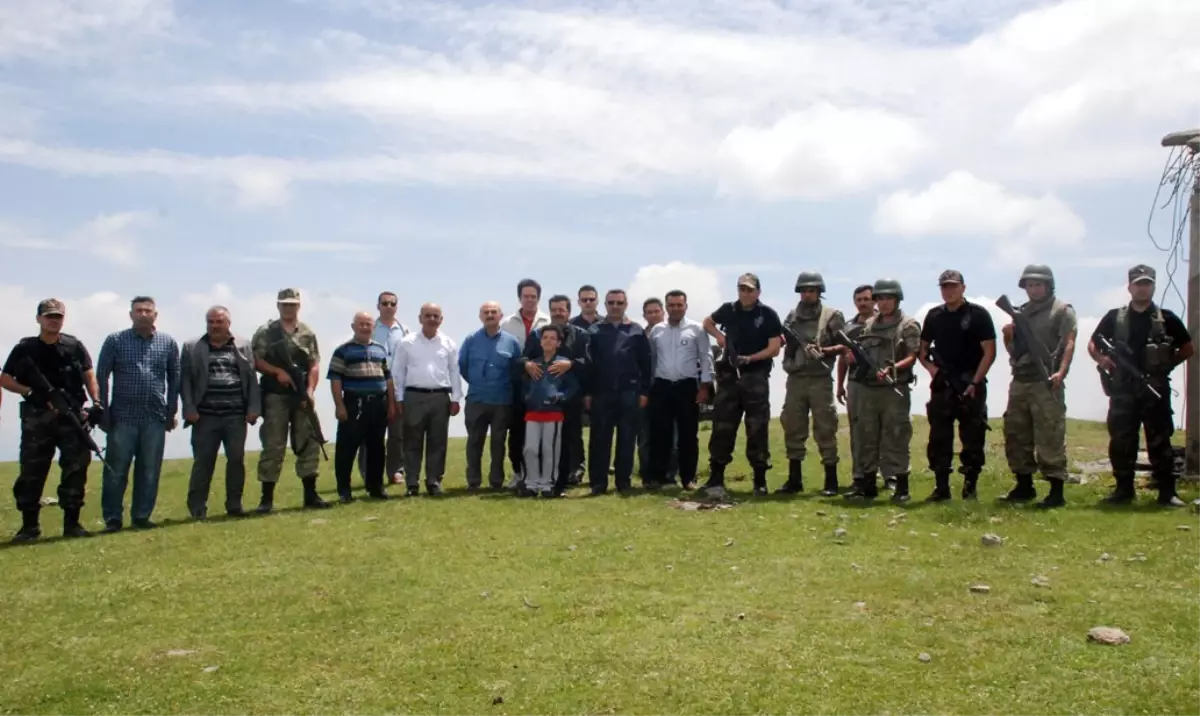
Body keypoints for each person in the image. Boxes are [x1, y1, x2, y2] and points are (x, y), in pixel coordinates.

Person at [1088, 264, 1193, 506]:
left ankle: (1167, 493)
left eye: (1147, 284)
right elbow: (1093, 344)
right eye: (1138, 284)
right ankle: (1123, 490)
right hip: (1123, 389)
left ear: (1153, 286)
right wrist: (1102, 359)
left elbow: (1188, 348)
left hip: (1153, 388)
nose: (1143, 288)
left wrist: (1166, 365)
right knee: (1122, 440)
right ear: (1130, 287)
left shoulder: (1167, 318)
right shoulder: (1115, 317)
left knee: (1159, 439)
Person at [0, 298, 104, 541]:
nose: (54, 321)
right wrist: (30, 392)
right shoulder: (25, 349)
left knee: (76, 469)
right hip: (38, 419)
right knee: (32, 471)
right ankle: (29, 527)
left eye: (58, 317)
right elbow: (5, 379)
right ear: (39, 319)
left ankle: (72, 524)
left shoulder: (74, 345)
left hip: (72, 415)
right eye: (49, 316)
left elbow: (89, 375)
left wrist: (96, 402)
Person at [96, 296, 180, 531]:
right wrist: (102, 410)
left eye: (147, 310)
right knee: (116, 470)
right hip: (122, 416)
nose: (143, 314)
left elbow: (175, 379)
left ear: (156, 315)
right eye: (138, 310)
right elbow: (102, 375)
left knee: (150, 470)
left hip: (154, 417)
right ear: (130, 314)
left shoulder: (168, 342)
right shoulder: (115, 340)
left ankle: (141, 516)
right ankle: (113, 518)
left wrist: (171, 410)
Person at [999, 265, 1078, 508]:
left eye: (1038, 284)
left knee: (1050, 433)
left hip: (1046, 382)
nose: (1034, 289)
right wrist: (1008, 335)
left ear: (1048, 285)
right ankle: (1024, 485)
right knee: (1016, 432)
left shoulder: (1062, 311)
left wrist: (1060, 373)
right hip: (1021, 379)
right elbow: (1014, 351)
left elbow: (1069, 343)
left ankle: (1056, 490)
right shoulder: (1019, 313)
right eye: (1030, 285)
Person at [917, 270, 997, 501]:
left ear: (963, 287)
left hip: (971, 383)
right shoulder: (934, 316)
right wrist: (933, 371)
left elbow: (989, 352)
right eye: (944, 287)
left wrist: (974, 382)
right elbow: (922, 350)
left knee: (973, 436)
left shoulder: (978, 315)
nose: (948, 291)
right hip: (943, 384)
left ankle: (970, 487)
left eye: (953, 286)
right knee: (939, 436)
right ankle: (941, 488)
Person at [702, 273, 783, 496]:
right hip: (729, 376)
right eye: (741, 289)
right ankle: (716, 476)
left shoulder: (767, 314)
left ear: (758, 292)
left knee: (757, 428)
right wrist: (721, 337)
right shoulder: (729, 309)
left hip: (755, 376)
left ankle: (759, 480)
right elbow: (707, 322)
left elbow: (774, 347)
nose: (745, 293)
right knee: (722, 426)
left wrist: (751, 358)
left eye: (749, 289)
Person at [251, 288, 330, 513]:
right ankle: (266, 499)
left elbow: (314, 364)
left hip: (301, 394)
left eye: (292, 304)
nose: (289, 308)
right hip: (275, 395)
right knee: (274, 444)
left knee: (308, 440)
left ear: (299, 306)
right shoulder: (267, 332)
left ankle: (310, 494)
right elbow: (255, 360)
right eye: (285, 304)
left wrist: (310, 391)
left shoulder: (306, 332)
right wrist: (276, 372)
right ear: (278, 306)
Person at [180, 305, 261, 519]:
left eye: (219, 322)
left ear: (228, 323)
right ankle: (197, 508)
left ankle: (234, 505)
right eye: (210, 322)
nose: (214, 326)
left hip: (235, 415)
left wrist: (253, 408)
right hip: (204, 416)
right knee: (203, 462)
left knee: (236, 460)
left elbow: (252, 378)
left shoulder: (243, 345)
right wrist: (188, 408)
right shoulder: (191, 347)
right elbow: (185, 381)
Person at [843, 279, 920, 502]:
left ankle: (901, 487)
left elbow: (913, 355)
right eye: (881, 298)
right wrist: (853, 357)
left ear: (897, 299)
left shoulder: (908, 325)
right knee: (866, 436)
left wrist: (893, 367)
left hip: (893, 389)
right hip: (868, 389)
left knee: (896, 436)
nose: (884, 303)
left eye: (888, 298)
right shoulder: (868, 326)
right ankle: (867, 486)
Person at [778, 271, 846, 495]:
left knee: (825, 426)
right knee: (793, 425)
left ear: (819, 292)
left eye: (812, 291)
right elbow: (787, 345)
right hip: (796, 378)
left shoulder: (832, 316)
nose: (807, 295)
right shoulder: (792, 317)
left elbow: (844, 346)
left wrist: (822, 351)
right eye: (804, 291)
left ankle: (831, 481)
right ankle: (794, 480)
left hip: (820, 379)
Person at [519, 294, 591, 495]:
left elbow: (590, 363)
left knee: (567, 441)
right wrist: (526, 364)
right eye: (554, 310)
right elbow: (524, 359)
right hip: (538, 403)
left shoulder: (581, 335)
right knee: (534, 446)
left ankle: (560, 482)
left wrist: (571, 364)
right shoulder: (537, 335)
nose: (558, 313)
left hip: (569, 399)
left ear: (569, 312)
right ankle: (534, 482)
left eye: (562, 310)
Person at [584, 289, 652, 494]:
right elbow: (588, 365)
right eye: (611, 303)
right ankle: (598, 482)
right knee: (599, 438)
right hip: (601, 393)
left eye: (619, 303)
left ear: (626, 305)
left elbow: (646, 364)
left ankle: (623, 481)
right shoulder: (594, 331)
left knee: (627, 438)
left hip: (629, 392)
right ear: (605, 305)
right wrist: (587, 393)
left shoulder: (636, 331)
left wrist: (644, 392)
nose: (615, 306)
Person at [392, 303, 463, 496]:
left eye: (436, 316)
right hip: (413, 395)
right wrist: (398, 398)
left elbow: (454, 371)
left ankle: (433, 481)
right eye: (428, 315)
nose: (432, 319)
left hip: (440, 396)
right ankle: (412, 484)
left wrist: (456, 397)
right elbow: (397, 372)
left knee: (438, 442)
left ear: (441, 319)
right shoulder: (407, 342)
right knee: (412, 441)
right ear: (420, 318)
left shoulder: (448, 343)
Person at [647, 290, 712, 491]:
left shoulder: (696, 329)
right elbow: (652, 360)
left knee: (688, 435)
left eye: (679, 305)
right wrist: (649, 387)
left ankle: (688, 478)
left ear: (685, 306)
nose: (675, 309)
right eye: (671, 305)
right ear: (666, 307)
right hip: (662, 385)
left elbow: (706, 357)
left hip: (687, 386)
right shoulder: (657, 330)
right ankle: (658, 477)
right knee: (660, 434)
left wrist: (704, 386)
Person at [329, 311, 396, 502]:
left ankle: (375, 487)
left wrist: (390, 404)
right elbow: (335, 379)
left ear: (373, 327)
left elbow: (388, 379)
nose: (365, 328)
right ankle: (344, 490)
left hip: (378, 404)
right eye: (361, 324)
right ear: (353, 327)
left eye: (368, 324)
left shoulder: (380, 350)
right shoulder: (343, 351)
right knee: (347, 449)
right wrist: (339, 405)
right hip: (353, 404)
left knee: (376, 448)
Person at [459, 301, 522, 491]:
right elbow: (463, 367)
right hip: (477, 399)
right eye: (486, 312)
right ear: (480, 316)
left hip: (501, 400)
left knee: (498, 442)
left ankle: (496, 481)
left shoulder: (511, 342)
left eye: (494, 312)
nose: (490, 315)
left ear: (500, 316)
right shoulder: (471, 340)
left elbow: (515, 370)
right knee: (474, 442)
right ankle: (473, 481)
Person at [499, 279, 551, 488]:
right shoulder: (507, 323)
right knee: (517, 430)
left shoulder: (547, 321)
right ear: (519, 297)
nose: (529, 300)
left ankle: (540, 473)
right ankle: (518, 472)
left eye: (533, 296)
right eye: (526, 296)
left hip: (541, 383)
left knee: (541, 430)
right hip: (516, 384)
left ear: (539, 298)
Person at [360, 291, 410, 487]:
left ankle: (396, 471)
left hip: (398, 386)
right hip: (374, 384)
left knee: (397, 433)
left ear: (396, 307)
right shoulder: (370, 329)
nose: (388, 306)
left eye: (392, 303)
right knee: (371, 433)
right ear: (378, 306)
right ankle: (369, 472)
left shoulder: (404, 330)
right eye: (385, 303)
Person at [837, 284, 876, 490]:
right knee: (858, 431)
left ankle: (890, 476)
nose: (863, 303)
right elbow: (843, 358)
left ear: (874, 300)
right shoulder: (849, 327)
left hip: (879, 383)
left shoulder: (884, 323)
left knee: (882, 430)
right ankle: (859, 475)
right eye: (859, 300)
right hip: (856, 383)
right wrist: (840, 385)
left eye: (866, 299)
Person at [638, 297, 679, 485]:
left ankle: (670, 474)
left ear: (663, 312)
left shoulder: (672, 333)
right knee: (645, 436)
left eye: (657, 311)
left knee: (671, 435)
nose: (653, 315)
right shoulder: (638, 335)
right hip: (645, 391)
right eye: (649, 312)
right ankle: (647, 475)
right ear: (644, 315)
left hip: (668, 389)